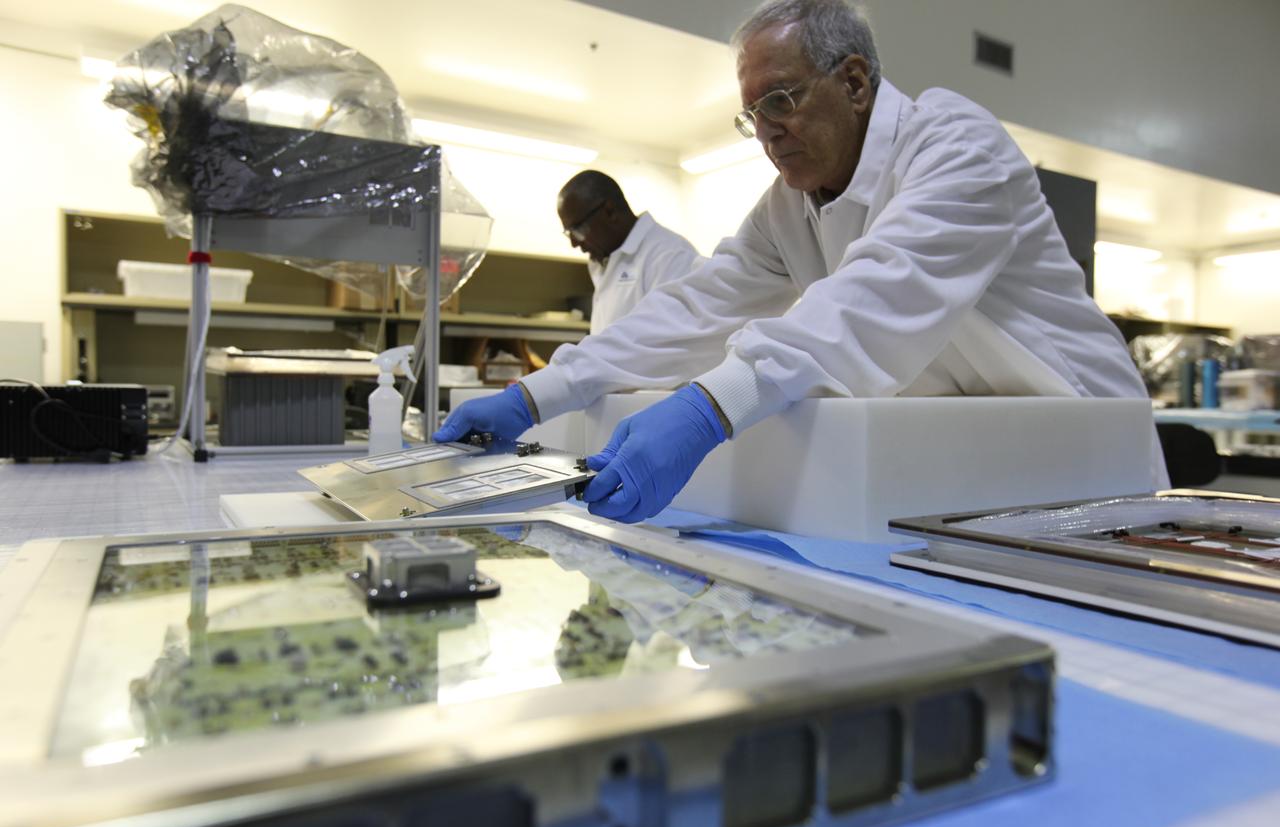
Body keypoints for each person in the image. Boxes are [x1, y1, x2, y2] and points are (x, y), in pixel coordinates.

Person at [435, 0, 1165, 523]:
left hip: (1089, 443)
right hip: (979, 462)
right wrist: (539, 395)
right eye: (752, 114)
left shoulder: (955, 144)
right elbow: (698, 305)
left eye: (779, 100)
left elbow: (876, 294)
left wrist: (704, 411)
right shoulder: (791, 205)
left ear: (853, 82)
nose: (765, 132)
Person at [557, 170, 703, 334]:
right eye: (569, 233)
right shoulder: (604, 262)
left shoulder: (671, 255)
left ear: (609, 211)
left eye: (578, 229)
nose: (574, 243)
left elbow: (672, 342)